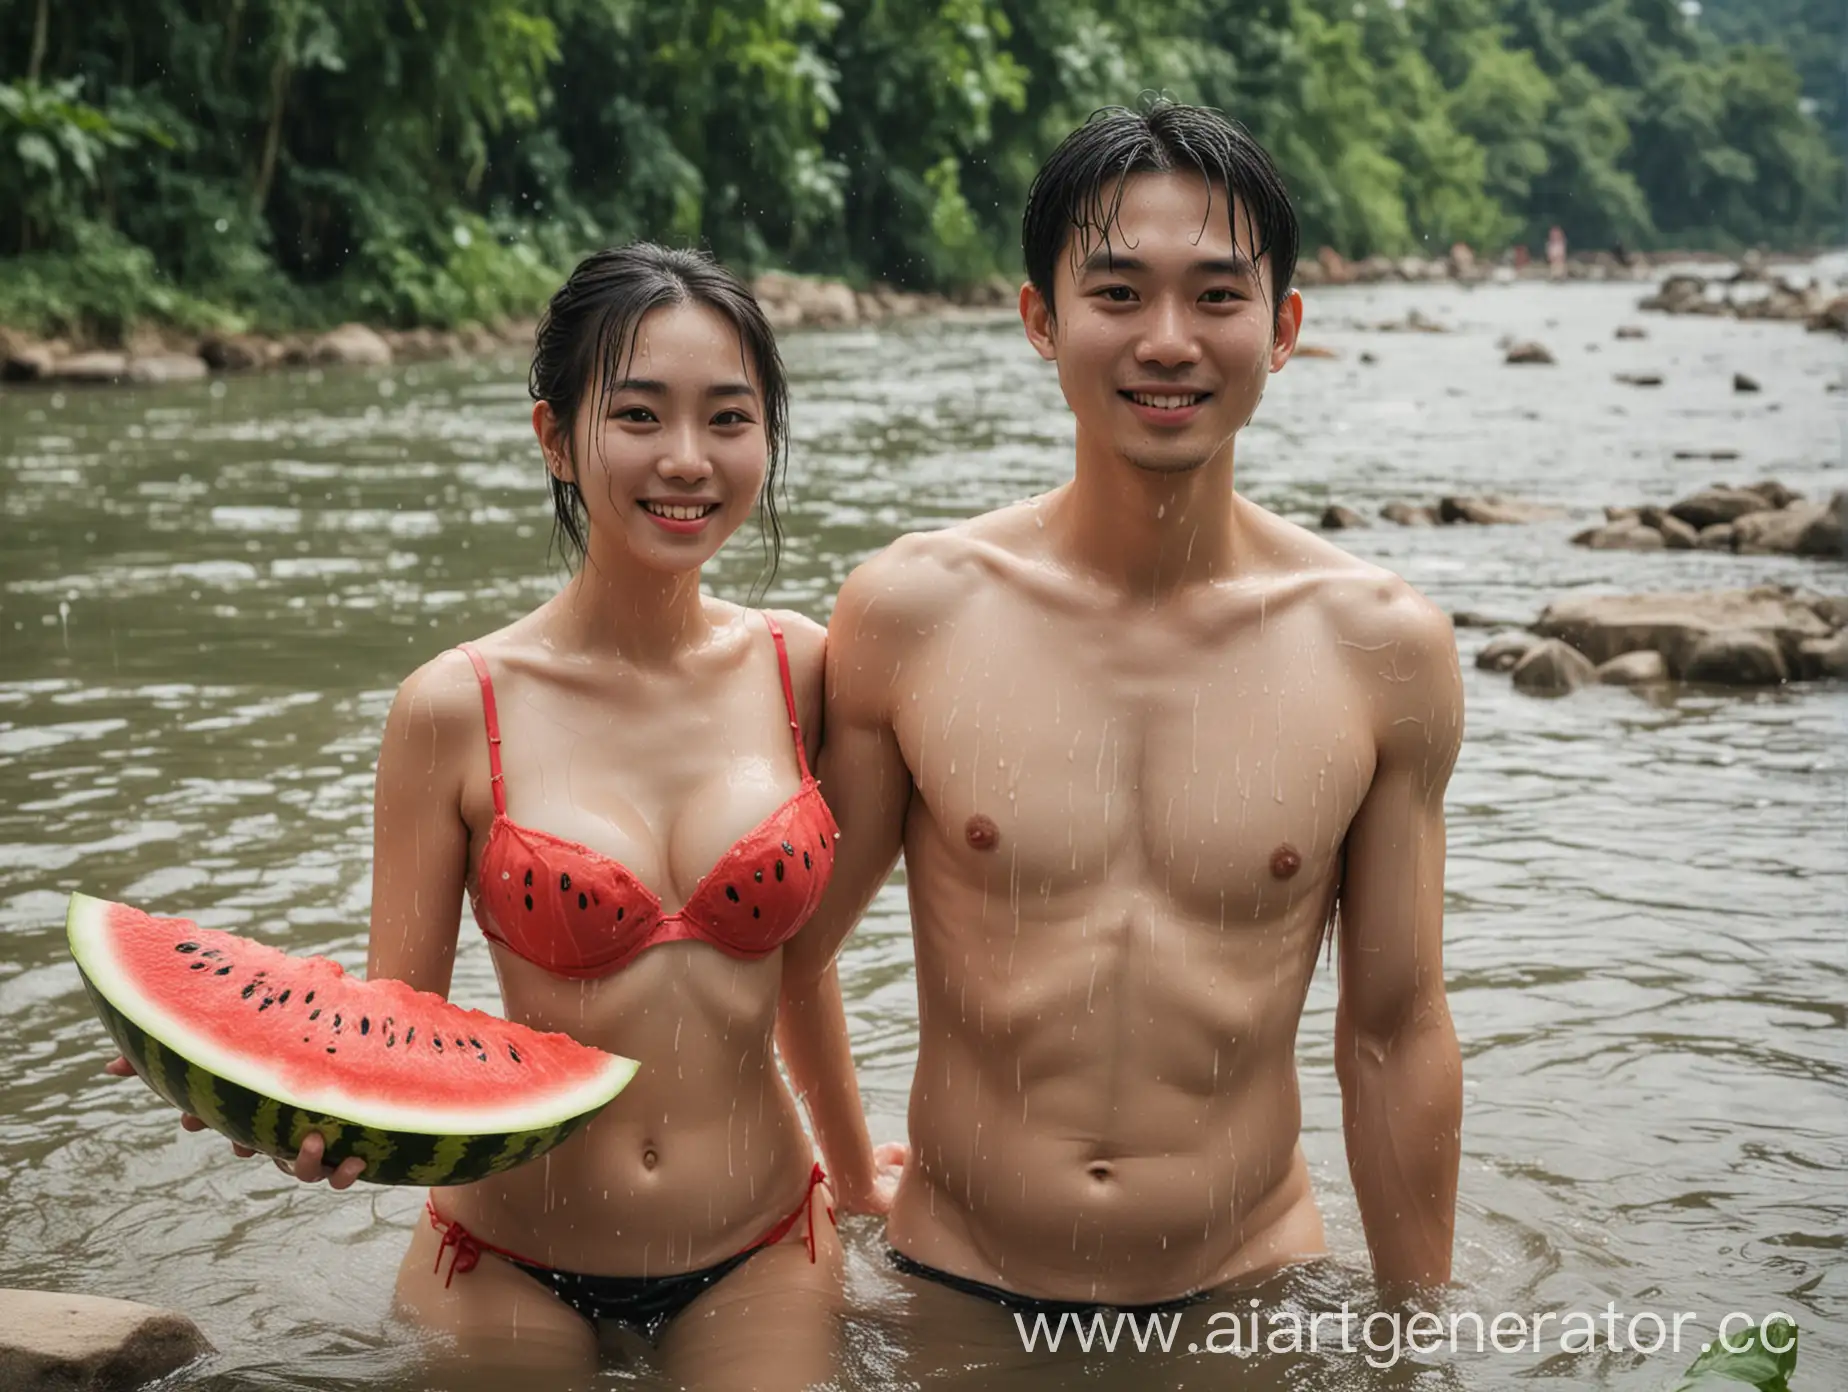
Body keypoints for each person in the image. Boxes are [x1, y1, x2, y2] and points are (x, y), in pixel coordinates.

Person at [111, 243, 881, 1388]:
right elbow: (395, 1027)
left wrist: (865, 1194)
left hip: (764, 1238)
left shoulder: (806, 671)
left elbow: (801, 974)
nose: (687, 458)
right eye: (638, 415)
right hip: (507, 1257)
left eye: (730, 417)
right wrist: (286, 1105)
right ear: (555, 438)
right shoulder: (454, 708)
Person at [782, 100, 1465, 1351]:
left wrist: (1419, 1341)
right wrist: (839, 1170)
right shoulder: (913, 613)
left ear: (1285, 328)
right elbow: (789, 947)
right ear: (1041, 320)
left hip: (1249, 1301)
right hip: (956, 1293)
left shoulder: (1381, 646)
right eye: (1117, 294)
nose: (1168, 342)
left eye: (1217, 296)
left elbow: (1395, 1029)